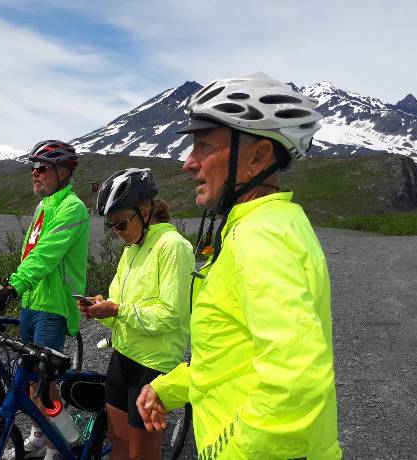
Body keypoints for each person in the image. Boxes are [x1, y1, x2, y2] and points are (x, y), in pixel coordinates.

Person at [136, 73, 342, 459]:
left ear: (258, 158)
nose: (188, 163)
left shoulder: (259, 237)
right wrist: (166, 388)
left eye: (204, 147)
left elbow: (295, 382)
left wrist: (236, 451)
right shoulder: (264, 226)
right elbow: (229, 356)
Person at [78, 168, 195, 460]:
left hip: (153, 365)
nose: (117, 233)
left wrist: (117, 309)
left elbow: (171, 315)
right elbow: (119, 308)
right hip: (123, 355)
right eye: (111, 226)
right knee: (118, 443)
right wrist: (100, 309)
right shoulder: (132, 248)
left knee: (141, 454)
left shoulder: (174, 247)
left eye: (121, 224)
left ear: (145, 211)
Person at [0, 140, 89, 460]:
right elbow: (30, 256)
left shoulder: (72, 207)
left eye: (41, 168)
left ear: (63, 171)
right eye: (33, 168)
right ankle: (39, 436)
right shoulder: (45, 206)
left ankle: (61, 448)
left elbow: (46, 256)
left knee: (46, 385)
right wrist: (9, 286)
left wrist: (12, 287)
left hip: (53, 307)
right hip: (33, 302)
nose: (35, 174)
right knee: (30, 381)